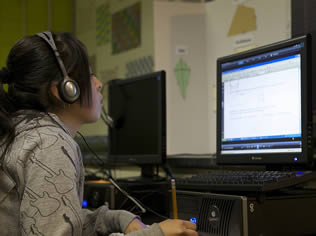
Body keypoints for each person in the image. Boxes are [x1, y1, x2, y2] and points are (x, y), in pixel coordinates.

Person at [0, 31, 197, 236]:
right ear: (66, 89)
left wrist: (115, 219)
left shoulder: (22, 130)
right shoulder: (48, 144)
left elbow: (55, 220)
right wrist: (156, 233)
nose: (98, 83)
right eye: (89, 74)